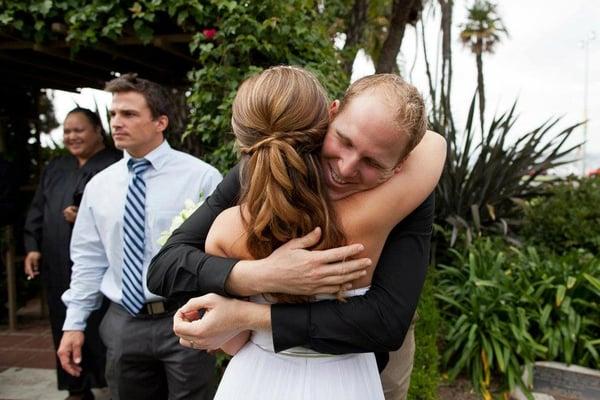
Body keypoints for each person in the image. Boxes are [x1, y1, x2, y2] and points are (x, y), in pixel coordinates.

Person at [148, 68, 445, 400]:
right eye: (344, 140)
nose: (346, 168)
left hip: (370, 359)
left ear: (400, 166)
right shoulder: (263, 166)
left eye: (372, 163)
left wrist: (248, 315)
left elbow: (387, 322)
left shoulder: (410, 193)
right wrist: (257, 275)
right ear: (331, 114)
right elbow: (165, 267)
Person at [56, 74, 222, 400]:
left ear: (161, 121)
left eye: (129, 114)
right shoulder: (99, 187)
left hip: (185, 316)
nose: (116, 123)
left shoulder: (201, 177)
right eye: (113, 114)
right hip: (122, 322)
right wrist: (73, 324)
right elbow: (89, 260)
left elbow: (220, 252)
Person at [24, 107, 121, 400]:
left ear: (97, 132)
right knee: (65, 322)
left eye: (78, 130)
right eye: (67, 131)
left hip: (102, 267)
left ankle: (111, 384)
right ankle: (76, 388)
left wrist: (84, 217)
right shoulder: (56, 167)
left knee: (99, 325)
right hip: (57, 263)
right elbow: (38, 209)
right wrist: (32, 247)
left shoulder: (115, 166)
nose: (71, 136)